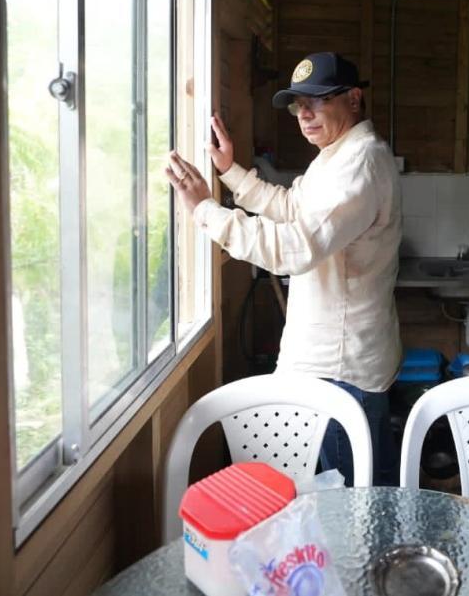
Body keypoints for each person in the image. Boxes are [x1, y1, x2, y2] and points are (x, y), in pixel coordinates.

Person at [165, 52, 401, 486]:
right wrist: (231, 172)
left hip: (340, 371)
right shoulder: (336, 155)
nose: (304, 114)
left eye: (317, 100)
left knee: (347, 508)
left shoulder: (360, 163)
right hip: (335, 364)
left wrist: (205, 211)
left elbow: (296, 246)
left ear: (353, 99)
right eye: (297, 104)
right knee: (347, 500)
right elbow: (293, 209)